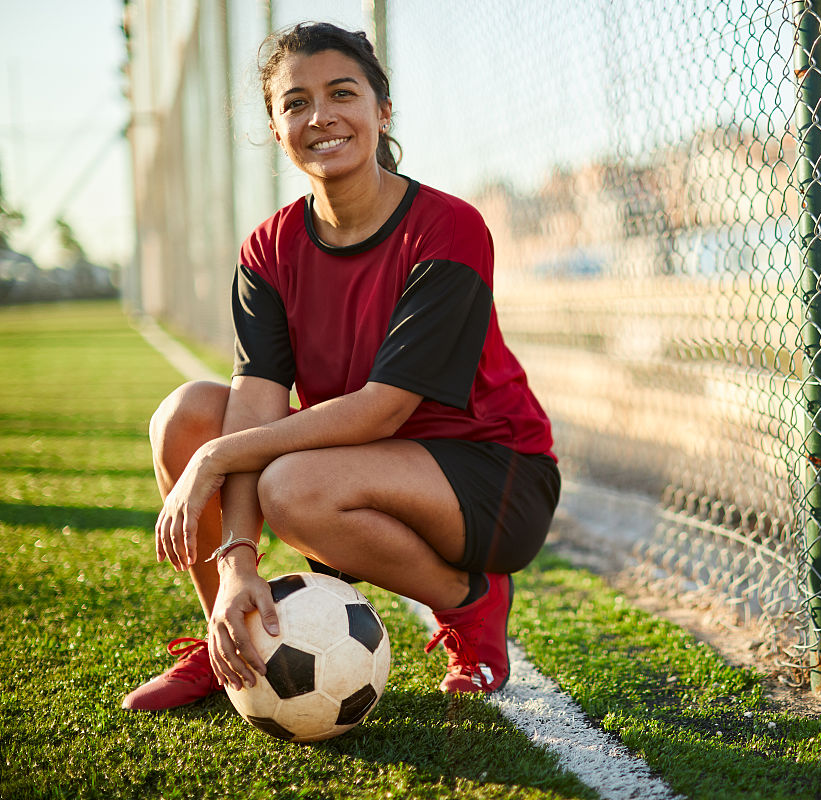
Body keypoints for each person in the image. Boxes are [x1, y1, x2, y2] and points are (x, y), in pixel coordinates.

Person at [122, 21, 559, 711]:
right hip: (356, 460)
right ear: (276, 129)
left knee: (289, 486)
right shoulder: (268, 249)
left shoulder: (448, 228)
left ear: (382, 111)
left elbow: (381, 410)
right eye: (295, 103)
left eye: (342, 94)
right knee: (187, 417)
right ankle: (226, 634)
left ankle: (469, 603)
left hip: (491, 474)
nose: (320, 116)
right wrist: (238, 559)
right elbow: (252, 408)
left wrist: (216, 460)